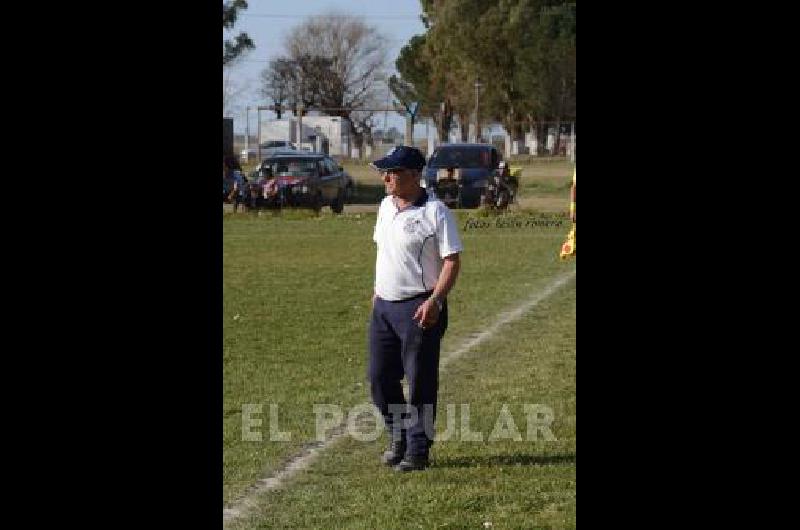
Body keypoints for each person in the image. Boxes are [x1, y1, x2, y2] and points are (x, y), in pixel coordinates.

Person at [368, 146, 463, 472]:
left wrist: (435, 301)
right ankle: (398, 435)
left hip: (420, 307)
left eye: (391, 172)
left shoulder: (436, 212)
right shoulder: (384, 206)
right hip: (384, 306)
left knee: (420, 380)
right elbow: (384, 252)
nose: (385, 178)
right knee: (380, 378)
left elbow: (452, 261)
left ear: (412, 175)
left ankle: (418, 450)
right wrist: (376, 292)